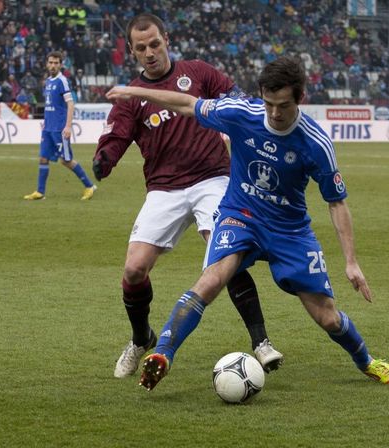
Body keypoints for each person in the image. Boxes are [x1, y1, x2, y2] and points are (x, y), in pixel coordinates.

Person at [105, 56, 389, 390]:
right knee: (212, 279)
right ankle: (162, 354)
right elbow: (189, 104)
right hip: (241, 215)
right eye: (268, 104)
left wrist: (351, 262)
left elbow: (336, 202)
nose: (275, 114)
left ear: (300, 98)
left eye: (284, 106)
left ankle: (367, 362)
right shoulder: (242, 114)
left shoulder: (316, 144)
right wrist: (137, 90)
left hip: (289, 230)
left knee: (327, 316)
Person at [91, 13, 283, 379]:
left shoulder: (198, 73)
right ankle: (139, 338)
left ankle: (261, 343)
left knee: (227, 252)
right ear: (133, 52)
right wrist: (104, 159)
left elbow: (237, 99)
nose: (150, 52)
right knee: (133, 270)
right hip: (163, 189)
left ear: (166, 39)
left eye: (155, 44)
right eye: (142, 48)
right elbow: (114, 138)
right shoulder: (133, 97)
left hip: (212, 179)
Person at [24, 51, 96, 201]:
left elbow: (70, 104)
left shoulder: (62, 81)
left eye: (56, 63)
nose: (52, 65)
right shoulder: (48, 81)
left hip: (59, 129)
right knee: (43, 158)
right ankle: (40, 192)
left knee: (66, 160)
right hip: (48, 128)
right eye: (50, 62)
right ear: (46, 64)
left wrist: (68, 126)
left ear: (60, 64)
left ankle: (89, 186)